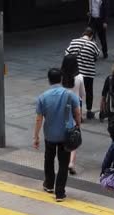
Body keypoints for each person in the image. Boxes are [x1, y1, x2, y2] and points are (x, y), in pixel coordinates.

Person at [34, 68, 82, 202]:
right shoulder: (70, 95)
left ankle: (49, 184)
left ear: (48, 80)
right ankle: (60, 192)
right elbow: (77, 113)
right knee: (63, 163)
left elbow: (39, 119)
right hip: (65, 135)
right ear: (61, 79)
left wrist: (36, 136)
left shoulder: (43, 97)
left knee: (48, 159)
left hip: (49, 134)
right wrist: (77, 125)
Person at [65, 27, 100, 120]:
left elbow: (66, 53)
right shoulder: (93, 44)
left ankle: (78, 114)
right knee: (89, 92)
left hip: (76, 72)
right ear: (91, 36)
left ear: (83, 33)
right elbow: (96, 56)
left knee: (77, 93)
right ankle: (89, 111)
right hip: (89, 73)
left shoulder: (74, 41)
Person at [61, 55, 86, 175]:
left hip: (61, 108)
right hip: (75, 109)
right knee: (75, 134)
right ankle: (71, 163)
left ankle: (63, 159)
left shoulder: (61, 77)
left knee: (62, 133)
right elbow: (82, 94)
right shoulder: (79, 77)